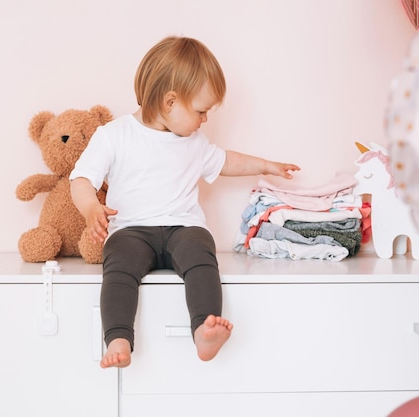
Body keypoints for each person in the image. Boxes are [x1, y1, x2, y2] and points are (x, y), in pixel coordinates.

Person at [70, 36, 300, 369]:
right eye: (201, 111)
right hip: (131, 230)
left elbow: (227, 161)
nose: (205, 120)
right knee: (118, 268)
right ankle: (118, 337)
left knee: (201, 257)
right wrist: (91, 208)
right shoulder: (115, 135)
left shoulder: (193, 142)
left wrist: (267, 166)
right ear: (170, 102)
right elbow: (81, 180)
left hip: (183, 227)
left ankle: (204, 330)